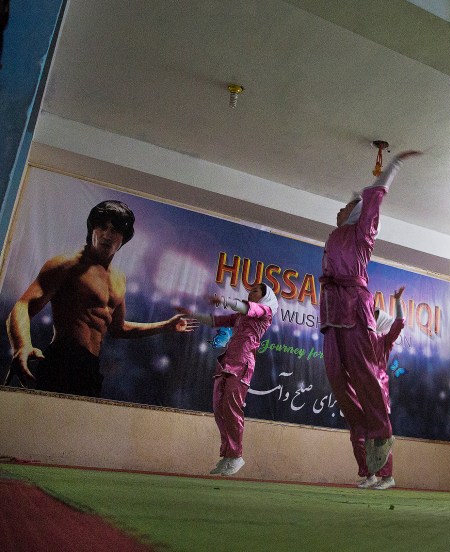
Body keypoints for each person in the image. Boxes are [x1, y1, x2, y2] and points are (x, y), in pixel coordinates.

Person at [5, 200, 195, 397]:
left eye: (115, 230)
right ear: (92, 229)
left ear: (124, 237)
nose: (107, 234)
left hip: (91, 368)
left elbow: (118, 328)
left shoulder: (119, 278)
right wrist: (22, 345)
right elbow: (22, 305)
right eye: (102, 227)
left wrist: (166, 326)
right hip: (62, 360)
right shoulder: (67, 264)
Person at [319, 150, 420, 475]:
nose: (339, 208)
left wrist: (394, 165)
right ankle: (366, 433)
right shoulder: (335, 235)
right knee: (335, 375)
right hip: (332, 311)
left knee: (364, 374)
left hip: (354, 306)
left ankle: (381, 435)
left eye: (345, 205)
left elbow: (374, 196)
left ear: (357, 213)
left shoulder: (363, 233)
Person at [177, 283, 277, 476]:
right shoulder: (241, 316)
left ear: (265, 296)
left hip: (243, 362)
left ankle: (237, 456)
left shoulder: (266, 311)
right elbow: (215, 320)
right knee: (219, 408)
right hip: (227, 361)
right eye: (250, 290)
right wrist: (191, 313)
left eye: (255, 291)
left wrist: (223, 300)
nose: (250, 293)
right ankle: (227, 456)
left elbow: (247, 307)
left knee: (232, 407)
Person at [354, 286, 405, 491]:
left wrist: (398, 301)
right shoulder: (361, 339)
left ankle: (388, 477)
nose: (370, 319)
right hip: (363, 387)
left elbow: (399, 323)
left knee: (381, 435)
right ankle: (371, 475)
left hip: (379, 388)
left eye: (374, 316)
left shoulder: (384, 340)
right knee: (366, 435)